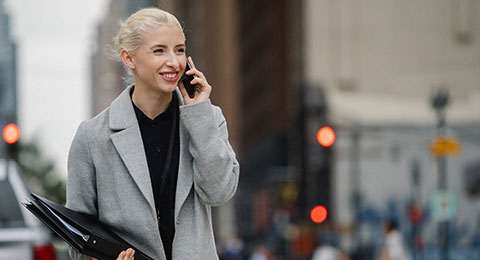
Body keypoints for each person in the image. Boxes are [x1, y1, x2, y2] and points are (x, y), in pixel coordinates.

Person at [66, 7, 240, 260]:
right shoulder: (92, 136)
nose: (174, 62)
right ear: (129, 58)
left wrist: (199, 113)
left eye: (179, 50)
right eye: (159, 50)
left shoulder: (208, 119)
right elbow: (78, 236)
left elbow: (219, 192)